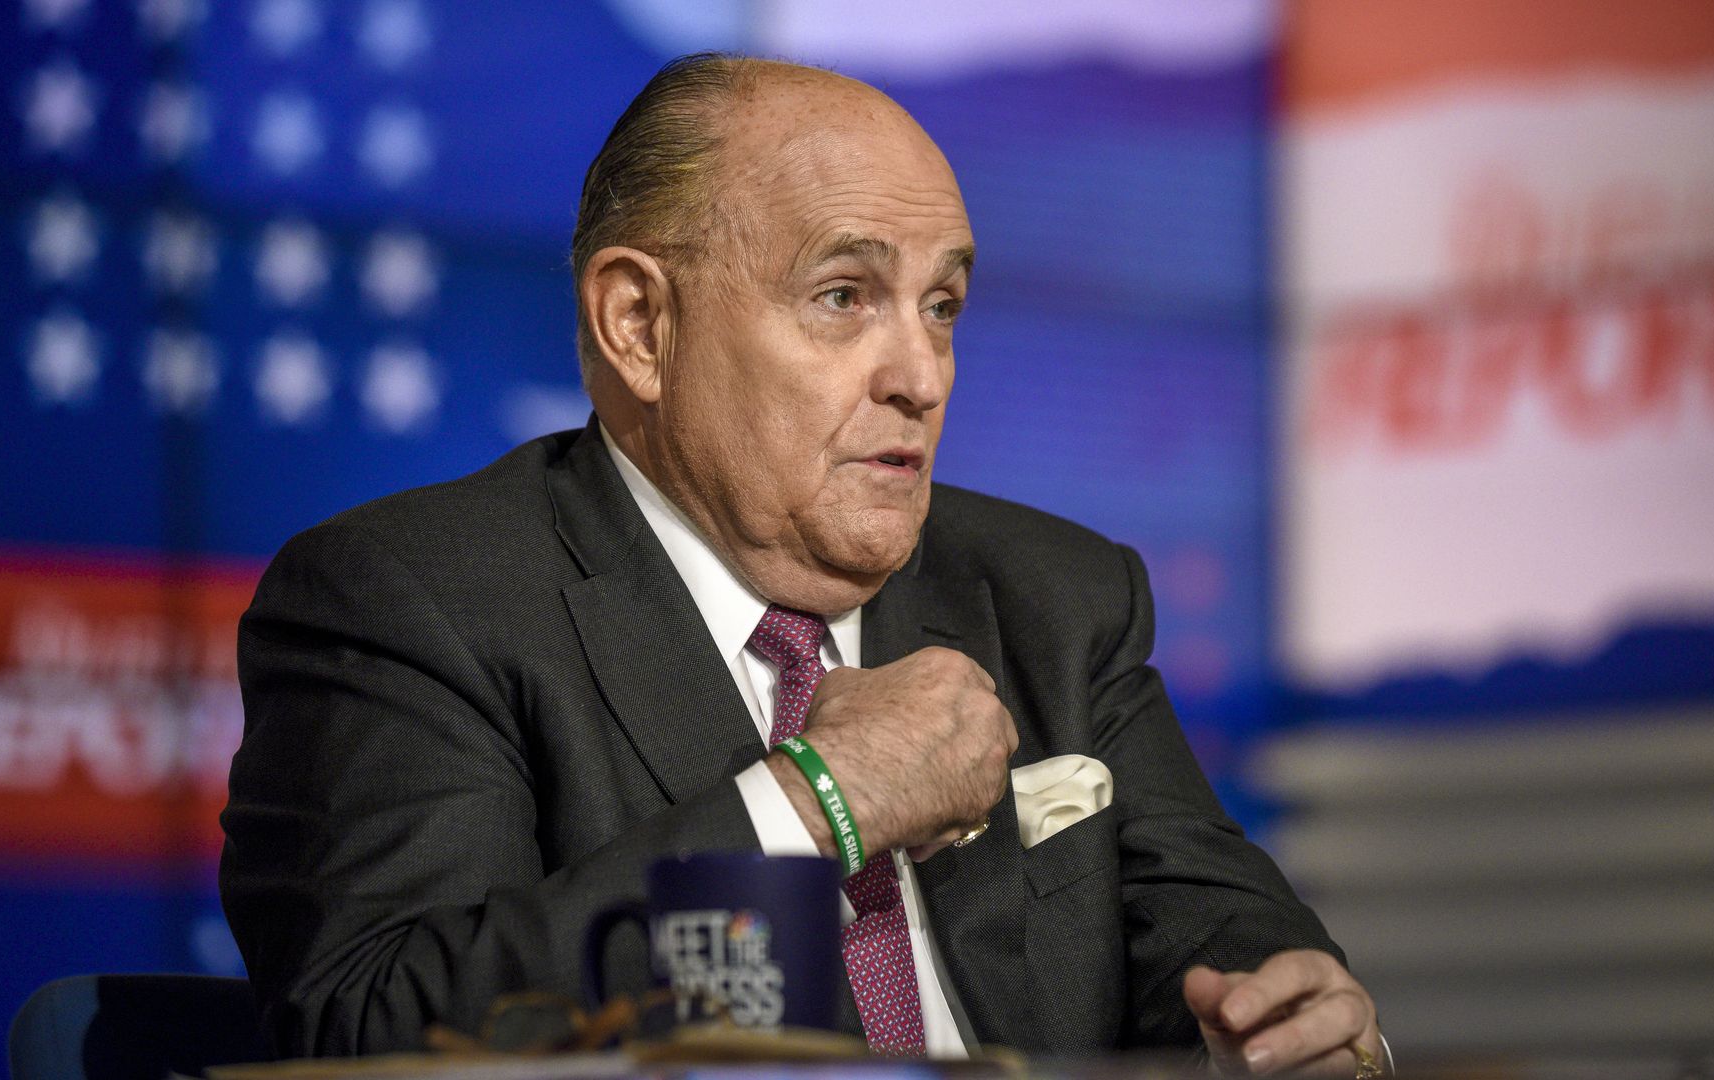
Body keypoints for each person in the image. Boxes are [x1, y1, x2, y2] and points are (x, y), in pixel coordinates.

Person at [221, 53, 1388, 1076]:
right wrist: (815, 800)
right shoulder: (417, 599)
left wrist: (1295, 1033)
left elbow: (1224, 946)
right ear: (639, 325)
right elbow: (379, 1034)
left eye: (942, 306)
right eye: (843, 296)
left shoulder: (1054, 598)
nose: (921, 375)